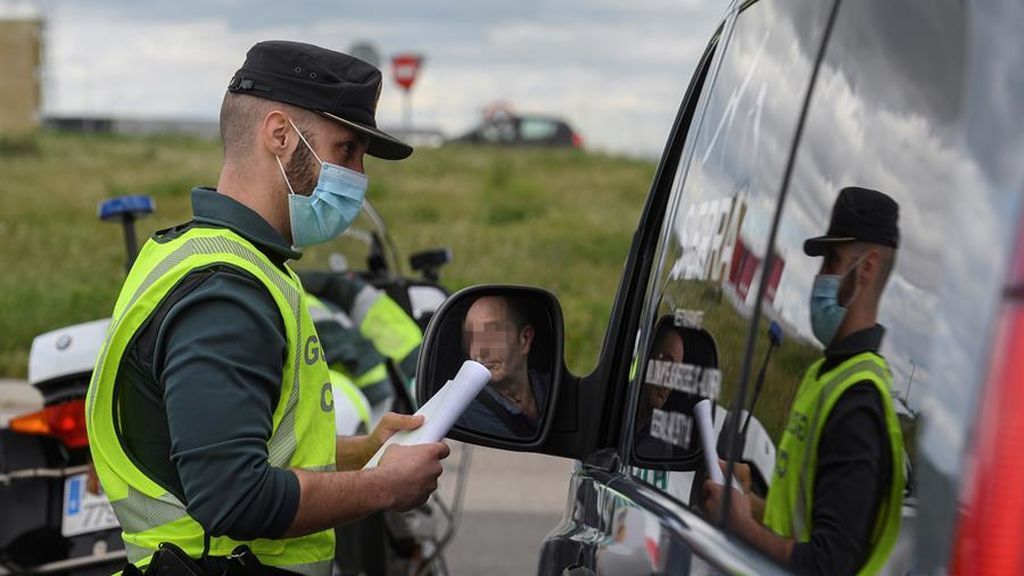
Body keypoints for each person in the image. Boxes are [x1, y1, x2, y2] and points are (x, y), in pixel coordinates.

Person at [85, 41, 449, 576]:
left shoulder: (209, 255)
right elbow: (233, 497)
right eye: (347, 149)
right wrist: (383, 485)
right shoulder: (227, 291)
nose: (359, 174)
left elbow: (247, 449)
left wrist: (366, 451)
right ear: (280, 136)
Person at [704, 187, 906, 576]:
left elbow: (828, 564)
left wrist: (741, 525)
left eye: (832, 261)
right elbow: (798, 527)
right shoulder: (826, 374)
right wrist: (750, 502)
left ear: (866, 268)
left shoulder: (858, 401)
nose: (820, 278)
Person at [458, 295, 549, 438]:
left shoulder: (556, 389)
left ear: (525, 339)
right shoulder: (464, 416)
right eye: (471, 338)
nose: (480, 351)